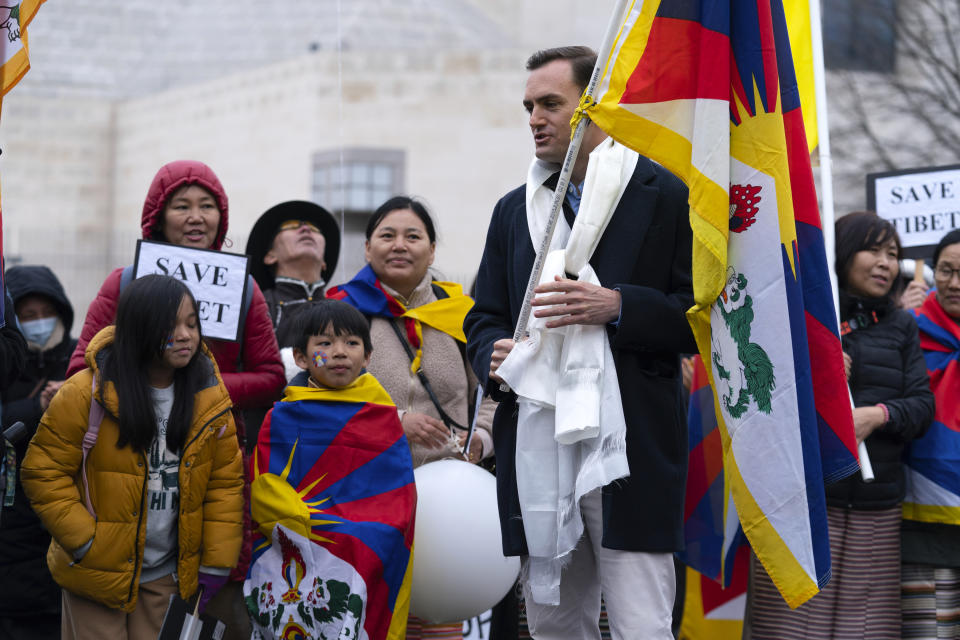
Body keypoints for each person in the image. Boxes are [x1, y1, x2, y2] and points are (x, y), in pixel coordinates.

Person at [464, 46, 695, 639]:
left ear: (593, 107)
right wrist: (489, 348)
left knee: (641, 622)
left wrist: (620, 306)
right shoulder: (513, 211)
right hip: (539, 439)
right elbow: (483, 314)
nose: (535, 119)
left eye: (550, 104)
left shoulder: (665, 190)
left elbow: (703, 316)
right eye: (528, 107)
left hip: (629, 442)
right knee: (552, 625)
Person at [66, 160, 285, 599]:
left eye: (207, 206)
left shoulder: (242, 288)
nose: (195, 216)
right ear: (157, 217)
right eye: (181, 206)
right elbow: (80, 368)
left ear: (221, 217)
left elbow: (271, 376)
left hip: (211, 459)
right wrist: (148, 384)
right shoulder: (124, 283)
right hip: (125, 452)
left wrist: (200, 388)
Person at [21, 274, 244, 640]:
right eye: (171, 325)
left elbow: (224, 484)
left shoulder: (209, 397)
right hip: (95, 573)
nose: (186, 335)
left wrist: (217, 563)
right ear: (140, 328)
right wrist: (85, 542)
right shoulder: (85, 391)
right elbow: (42, 471)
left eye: (192, 323)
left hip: (167, 576)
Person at [746, 211, 935, 639]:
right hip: (806, 501)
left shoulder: (901, 325)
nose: (886, 262)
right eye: (873, 249)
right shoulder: (803, 316)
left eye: (893, 254)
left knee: (864, 626)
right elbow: (763, 398)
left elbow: (921, 406)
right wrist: (814, 375)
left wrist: (878, 416)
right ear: (843, 253)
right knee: (793, 626)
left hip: (877, 504)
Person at [327, 196, 495, 639]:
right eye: (387, 235)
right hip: (364, 499)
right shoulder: (339, 313)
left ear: (433, 250)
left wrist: (482, 435)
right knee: (372, 618)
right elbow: (318, 395)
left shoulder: (463, 315)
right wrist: (394, 419)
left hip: (448, 504)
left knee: (439, 615)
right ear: (367, 249)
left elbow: (495, 391)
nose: (399, 245)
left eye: (413, 236)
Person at [245, 300, 416, 640]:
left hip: (368, 550)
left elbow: (399, 494)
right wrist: (303, 522)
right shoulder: (281, 416)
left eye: (352, 343)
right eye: (324, 344)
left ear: (367, 357)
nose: (339, 353)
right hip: (296, 542)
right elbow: (265, 484)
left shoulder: (381, 415)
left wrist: (369, 534)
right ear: (301, 357)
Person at [0, 265, 75, 639]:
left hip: (65, 521)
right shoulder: (6, 365)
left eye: (46, 312)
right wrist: (37, 410)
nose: (40, 323)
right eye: (27, 317)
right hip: (13, 528)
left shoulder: (80, 359)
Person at [901, 228, 960, 638]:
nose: (955, 283)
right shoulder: (907, 330)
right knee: (932, 631)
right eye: (946, 270)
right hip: (923, 511)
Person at [245, 199, 341, 346]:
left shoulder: (344, 311)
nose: (306, 229)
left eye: (315, 229)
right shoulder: (253, 308)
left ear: (323, 262)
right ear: (270, 256)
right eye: (290, 226)